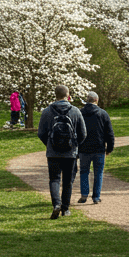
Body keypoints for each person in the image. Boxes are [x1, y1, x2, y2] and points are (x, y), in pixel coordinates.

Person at [37, 85, 85, 219]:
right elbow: (83, 133)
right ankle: (65, 209)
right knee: (68, 181)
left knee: (54, 179)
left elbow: (41, 133)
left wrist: (50, 144)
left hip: (53, 153)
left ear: (55, 95)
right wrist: (75, 145)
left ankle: (56, 204)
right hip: (70, 153)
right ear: (68, 95)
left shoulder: (47, 111)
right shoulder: (75, 111)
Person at [77, 91, 115, 205]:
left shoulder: (80, 113)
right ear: (96, 100)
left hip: (83, 148)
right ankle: (96, 197)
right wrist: (109, 148)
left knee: (84, 172)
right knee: (98, 173)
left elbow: (76, 131)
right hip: (99, 148)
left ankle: (84, 195)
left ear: (87, 100)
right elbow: (109, 133)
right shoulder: (103, 113)